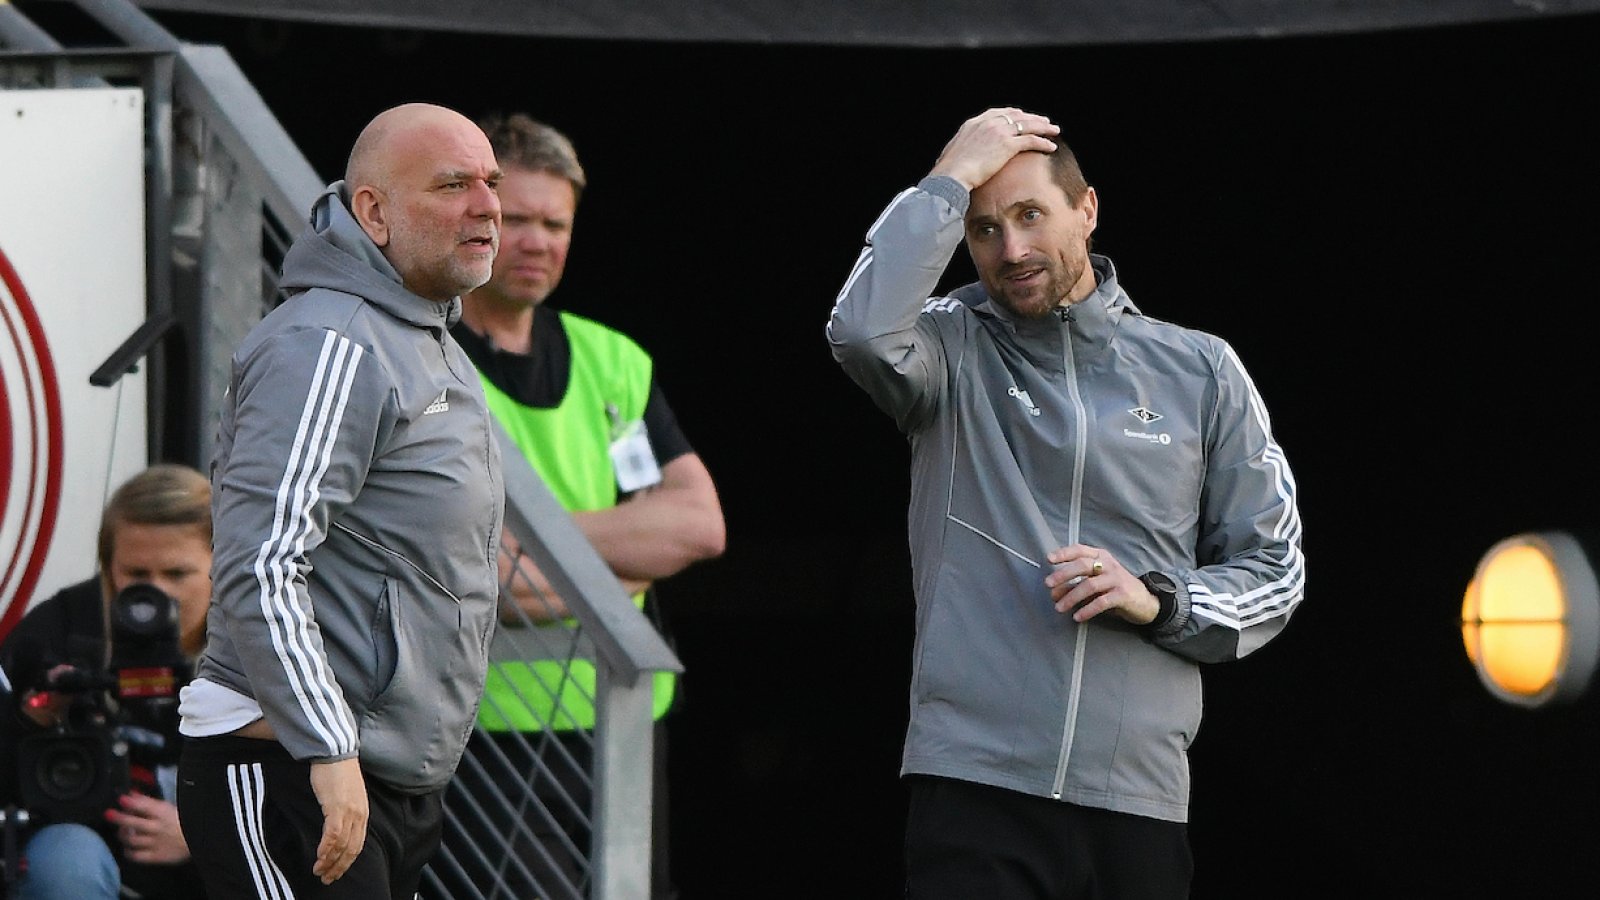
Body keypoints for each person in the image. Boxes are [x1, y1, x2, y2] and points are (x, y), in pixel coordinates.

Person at [824, 107, 1307, 899]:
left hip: (1137, 799)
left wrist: (1158, 600)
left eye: (1029, 216)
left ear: (1087, 209)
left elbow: (1276, 571)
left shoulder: (1202, 370)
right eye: (983, 229)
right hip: (975, 785)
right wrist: (947, 178)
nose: (1010, 250)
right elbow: (859, 331)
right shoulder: (949, 345)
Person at [173, 101, 506, 900]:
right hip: (289, 765)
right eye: (453, 185)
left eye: (491, 183)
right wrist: (327, 745)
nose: (488, 206)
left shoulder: (421, 333)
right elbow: (262, 563)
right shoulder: (331, 340)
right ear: (373, 212)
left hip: (373, 774)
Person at [438, 111, 725, 900]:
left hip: (620, 717)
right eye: (518, 219)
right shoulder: (424, 362)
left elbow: (701, 526)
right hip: (480, 732)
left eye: (556, 224)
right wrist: (625, 566)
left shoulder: (613, 358)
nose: (538, 241)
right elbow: (478, 581)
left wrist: (531, 547)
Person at [0, 463, 212, 900]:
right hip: (87, 846)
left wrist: (207, 836)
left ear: (223, 565)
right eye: (136, 574)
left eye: (176, 574)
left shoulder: (264, 640)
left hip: (224, 856)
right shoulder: (59, 632)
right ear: (108, 566)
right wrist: (31, 719)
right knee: (65, 863)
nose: (155, 595)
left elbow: (317, 792)